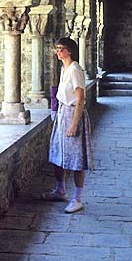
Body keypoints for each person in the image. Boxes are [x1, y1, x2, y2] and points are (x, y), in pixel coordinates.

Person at [42, 36, 93, 213]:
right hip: (63, 113)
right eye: (56, 48)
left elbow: (80, 99)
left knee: (77, 158)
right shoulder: (64, 69)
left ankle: (77, 198)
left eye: (61, 48)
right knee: (58, 153)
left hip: (73, 114)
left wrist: (74, 124)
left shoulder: (75, 70)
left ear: (70, 50)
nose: (58, 51)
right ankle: (60, 190)